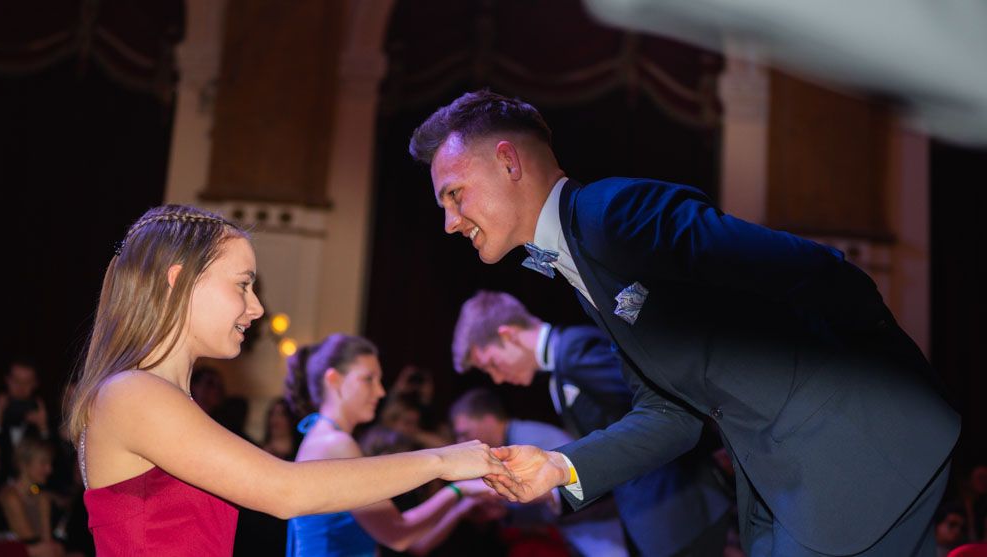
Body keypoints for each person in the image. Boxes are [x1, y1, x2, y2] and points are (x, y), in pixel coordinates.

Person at [409, 90, 961, 556]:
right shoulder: (578, 263)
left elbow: (818, 271)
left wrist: (884, 396)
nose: (450, 222)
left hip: (858, 458)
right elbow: (670, 415)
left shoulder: (613, 214)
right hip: (790, 492)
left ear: (509, 162)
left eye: (454, 195)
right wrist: (558, 466)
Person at [64, 205, 506, 556]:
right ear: (179, 281)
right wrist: (444, 461)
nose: (256, 308)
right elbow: (286, 491)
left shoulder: (158, 398)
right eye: (243, 285)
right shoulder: (132, 393)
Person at [453, 290, 732, 556]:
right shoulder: (565, 361)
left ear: (509, 335)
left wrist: (713, 452)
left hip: (678, 511)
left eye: (491, 364)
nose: (498, 379)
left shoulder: (575, 352)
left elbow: (665, 410)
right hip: (656, 520)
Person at [284, 334, 496, 557]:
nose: (381, 392)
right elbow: (399, 533)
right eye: (369, 379)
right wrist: (459, 489)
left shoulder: (322, 436)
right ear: (334, 380)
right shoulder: (335, 444)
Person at [450, 388, 629, 557]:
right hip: (584, 526)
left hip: (599, 524)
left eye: (465, 433)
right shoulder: (517, 438)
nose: (462, 441)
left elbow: (582, 486)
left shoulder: (529, 440)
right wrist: (508, 513)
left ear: (488, 420)